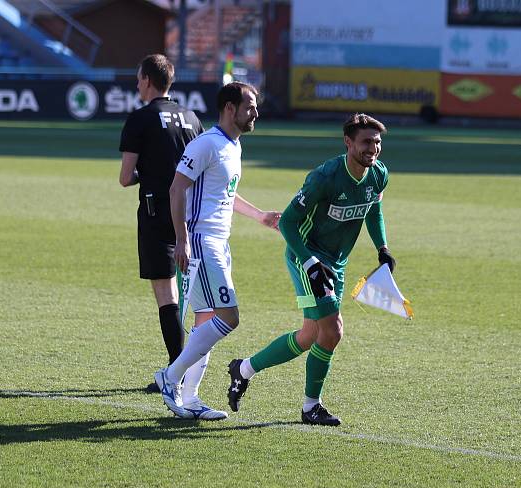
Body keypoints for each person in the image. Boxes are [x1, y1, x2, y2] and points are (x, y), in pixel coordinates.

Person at [226, 113, 396, 426]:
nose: (373, 148)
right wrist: (310, 262)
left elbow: (374, 210)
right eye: (366, 142)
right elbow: (288, 222)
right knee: (333, 330)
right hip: (306, 255)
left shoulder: (378, 174)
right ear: (348, 142)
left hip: (336, 262)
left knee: (309, 336)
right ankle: (310, 407)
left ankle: (243, 369)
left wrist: (382, 248)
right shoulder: (325, 177)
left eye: (377, 142)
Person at [154, 81, 281, 420]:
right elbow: (176, 188)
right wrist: (182, 239)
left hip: (219, 242)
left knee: (207, 319)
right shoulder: (206, 143)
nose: (255, 112)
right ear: (229, 108)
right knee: (229, 317)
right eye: (250, 106)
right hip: (201, 241)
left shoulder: (231, 146)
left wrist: (260, 216)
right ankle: (170, 376)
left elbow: (224, 193)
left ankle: (192, 398)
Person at [118, 54, 204, 393]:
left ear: (149, 81)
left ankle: (176, 372)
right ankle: (183, 370)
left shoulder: (140, 118)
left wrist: (149, 174)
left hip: (156, 214)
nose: (137, 85)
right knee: (195, 296)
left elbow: (126, 177)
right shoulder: (191, 118)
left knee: (166, 295)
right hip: (191, 213)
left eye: (139, 79)